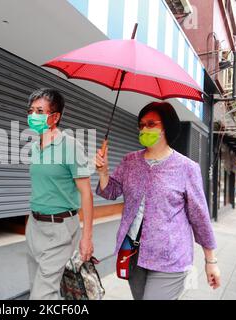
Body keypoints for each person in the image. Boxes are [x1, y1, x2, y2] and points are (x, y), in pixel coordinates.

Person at [95, 101, 221, 300]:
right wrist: (103, 173)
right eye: (142, 124)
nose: (144, 129)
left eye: (151, 124)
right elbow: (110, 192)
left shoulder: (187, 167)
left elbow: (199, 216)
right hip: (134, 253)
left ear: (166, 128)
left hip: (170, 257)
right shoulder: (130, 161)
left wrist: (210, 261)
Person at [25, 88, 94, 300]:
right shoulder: (35, 147)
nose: (33, 116)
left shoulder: (71, 146)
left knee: (41, 296)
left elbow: (86, 193)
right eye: (31, 110)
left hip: (60, 228)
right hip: (34, 226)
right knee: (39, 287)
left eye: (39, 111)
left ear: (55, 116)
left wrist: (87, 237)